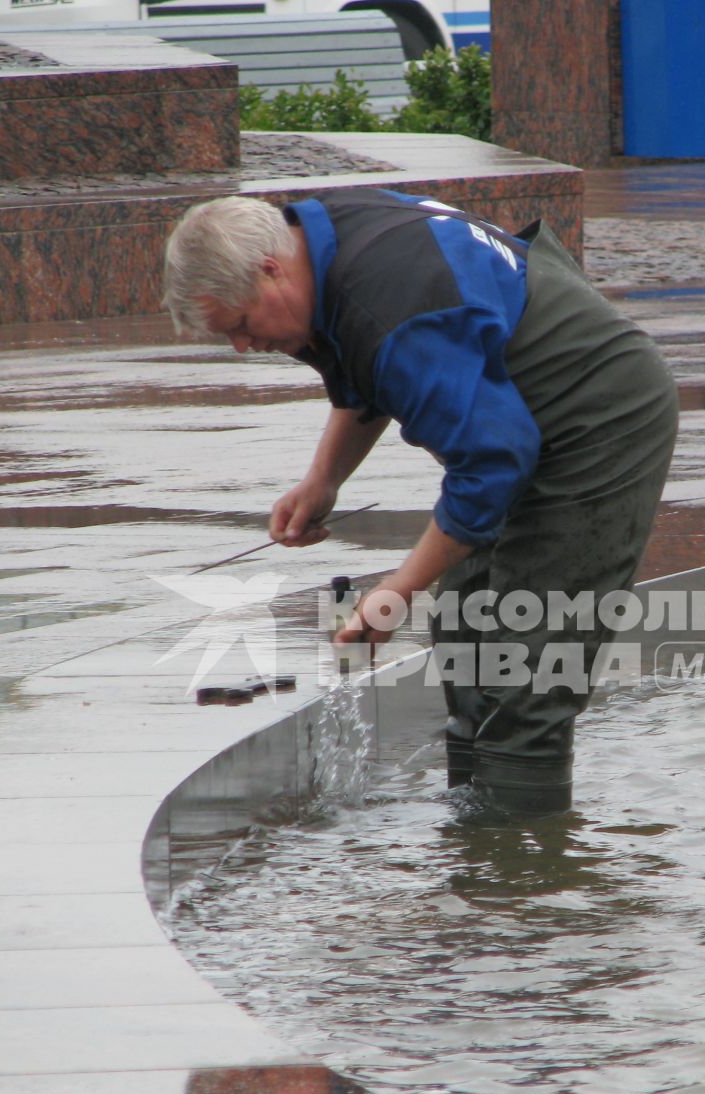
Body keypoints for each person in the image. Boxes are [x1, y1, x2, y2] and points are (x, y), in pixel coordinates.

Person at [162, 189, 677, 816]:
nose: (244, 347)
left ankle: (526, 888)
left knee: (529, 674)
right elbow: (362, 363)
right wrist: (324, 480)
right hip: (513, 417)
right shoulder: (313, 240)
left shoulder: (389, 302)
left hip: (597, 420)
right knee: (464, 636)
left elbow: (489, 460)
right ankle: (473, 844)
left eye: (240, 326)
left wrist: (395, 592)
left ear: (270, 271)